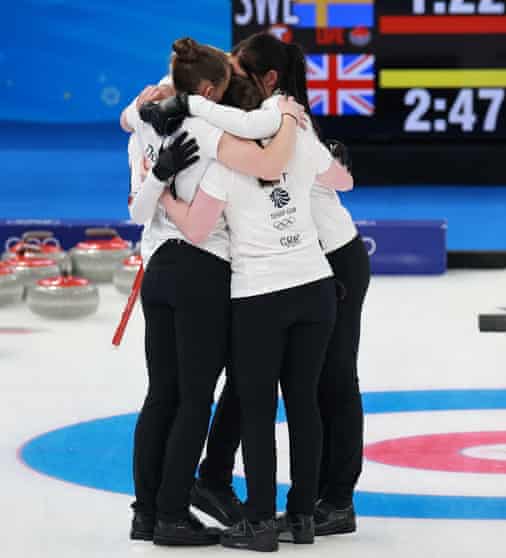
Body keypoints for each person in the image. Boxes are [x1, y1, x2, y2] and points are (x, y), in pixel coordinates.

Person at [157, 73, 353, 552]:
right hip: (315, 285)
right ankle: (302, 516)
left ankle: (260, 521)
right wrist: (298, 129)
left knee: (258, 410)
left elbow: (198, 230)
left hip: (260, 296)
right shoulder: (302, 146)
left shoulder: (224, 167)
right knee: (304, 403)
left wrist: (161, 193)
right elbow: (342, 179)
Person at [122, 37, 304, 546]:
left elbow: (128, 123)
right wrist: (287, 116)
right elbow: (266, 162)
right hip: (201, 271)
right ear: (206, 89)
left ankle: (146, 511)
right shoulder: (206, 130)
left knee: (162, 394)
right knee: (195, 398)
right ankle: (173, 514)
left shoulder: (141, 120)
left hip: (156, 265)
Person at [199, 32, 371, 537]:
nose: (228, 80)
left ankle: (335, 498)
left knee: (331, 380)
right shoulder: (266, 114)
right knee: (255, 373)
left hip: (331, 259)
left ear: (267, 79)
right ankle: (220, 477)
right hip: (302, 262)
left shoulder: (280, 115)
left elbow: (339, 181)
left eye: (237, 71)